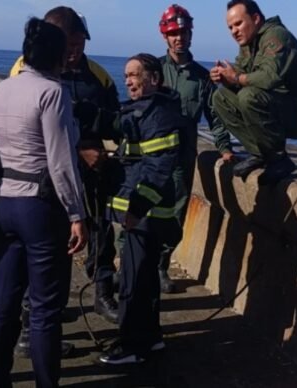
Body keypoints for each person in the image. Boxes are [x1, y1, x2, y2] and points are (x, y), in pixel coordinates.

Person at [0, 17, 89, 388]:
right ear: (57, 57)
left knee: (2, 302)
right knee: (44, 309)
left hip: (6, 202)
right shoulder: (52, 92)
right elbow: (61, 162)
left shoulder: (0, 91)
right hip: (41, 208)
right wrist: (77, 214)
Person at [9, 7, 121, 359]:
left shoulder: (99, 76)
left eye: (79, 44)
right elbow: (31, 130)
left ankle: (103, 293)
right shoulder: (26, 72)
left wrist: (102, 151)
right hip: (46, 180)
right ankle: (33, 326)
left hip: (91, 174)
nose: (74, 52)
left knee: (102, 232)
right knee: (45, 250)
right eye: (69, 45)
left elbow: (114, 121)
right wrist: (79, 150)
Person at [100, 53, 184, 364]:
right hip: (148, 213)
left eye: (135, 75)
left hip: (144, 214)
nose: (128, 81)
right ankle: (151, 338)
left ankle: (131, 346)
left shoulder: (158, 116)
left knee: (133, 280)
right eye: (126, 76)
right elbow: (119, 125)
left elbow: (158, 167)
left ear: (154, 79)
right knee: (146, 278)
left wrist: (136, 208)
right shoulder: (148, 110)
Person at [156, 4, 230, 293]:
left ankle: (161, 265)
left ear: (190, 34)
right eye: (173, 33)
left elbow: (216, 117)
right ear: (165, 36)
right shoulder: (154, 70)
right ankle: (134, 265)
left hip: (182, 158)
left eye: (183, 32)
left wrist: (224, 148)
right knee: (143, 211)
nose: (179, 38)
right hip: (152, 156)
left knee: (176, 215)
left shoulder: (202, 77)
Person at [210, 0, 297, 185]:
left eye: (238, 24)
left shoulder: (276, 36)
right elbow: (239, 78)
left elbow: (269, 77)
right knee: (220, 97)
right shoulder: (248, 45)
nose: (234, 31)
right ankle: (260, 153)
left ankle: (279, 160)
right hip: (278, 106)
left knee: (249, 96)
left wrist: (237, 78)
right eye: (230, 27)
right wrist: (226, 79)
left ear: (256, 19)